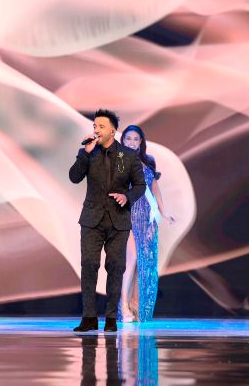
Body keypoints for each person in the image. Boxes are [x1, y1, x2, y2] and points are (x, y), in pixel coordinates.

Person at [69, 109, 146, 332]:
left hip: (118, 220)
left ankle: (111, 318)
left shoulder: (128, 156)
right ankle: (89, 317)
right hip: (92, 219)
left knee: (116, 267)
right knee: (89, 266)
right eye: (94, 126)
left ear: (113, 131)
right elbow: (74, 177)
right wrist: (85, 153)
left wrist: (127, 196)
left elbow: (139, 185)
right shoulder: (88, 153)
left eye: (101, 127)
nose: (96, 130)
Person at [117, 125, 174, 322]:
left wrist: (164, 213)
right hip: (128, 216)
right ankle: (123, 307)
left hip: (148, 219)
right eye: (128, 138)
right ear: (123, 140)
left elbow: (155, 189)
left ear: (141, 142)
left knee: (144, 263)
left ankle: (135, 304)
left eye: (136, 139)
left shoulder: (148, 162)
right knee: (131, 260)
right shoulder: (119, 162)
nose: (132, 142)